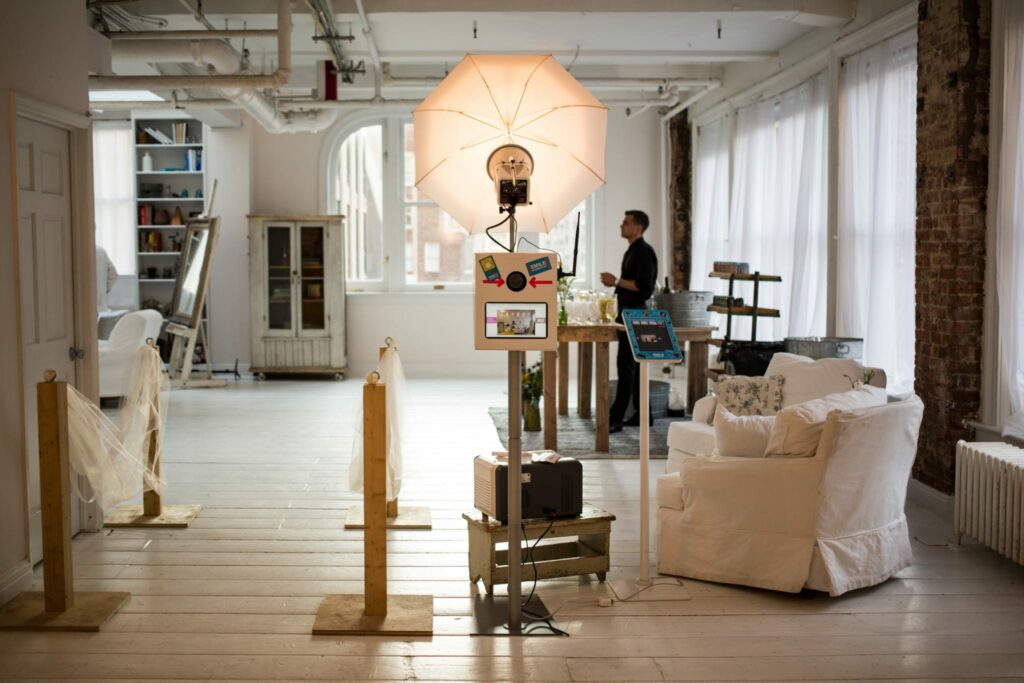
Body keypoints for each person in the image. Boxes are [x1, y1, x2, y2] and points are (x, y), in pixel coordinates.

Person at [600, 210, 658, 433]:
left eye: (625, 222)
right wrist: (617, 283)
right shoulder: (634, 251)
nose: (620, 225)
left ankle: (615, 418)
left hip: (634, 314)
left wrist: (616, 281)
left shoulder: (643, 252)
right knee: (634, 367)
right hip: (628, 313)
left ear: (638, 228)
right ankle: (644, 415)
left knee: (626, 368)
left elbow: (645, 287)